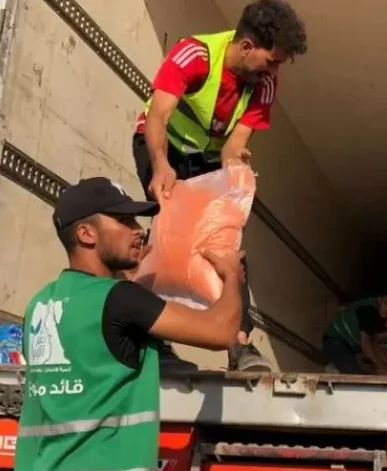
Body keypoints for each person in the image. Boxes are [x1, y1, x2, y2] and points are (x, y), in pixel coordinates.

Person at [14, 177, 244, 471]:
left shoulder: (40, 304)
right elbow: (221, 331)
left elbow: (95, 360)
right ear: (86, 234)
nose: (138, 231)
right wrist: (232, 278)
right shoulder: (120, 299)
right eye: (124, 220)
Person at [132, 0, 307, 372]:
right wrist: (161, 167)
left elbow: (234, 144)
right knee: (163, 236)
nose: (274, 71)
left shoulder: (265, 83)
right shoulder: (194, 54)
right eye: (271, 60)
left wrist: (233, 175)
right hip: (162, 147)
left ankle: (239, 345)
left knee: (226, 244)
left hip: (207, 157)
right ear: (246, 47)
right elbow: (157, 118)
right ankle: (150, 340)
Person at [322, 296, 387, 374]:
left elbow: (373, 341)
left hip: (347, 345)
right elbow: (366, 345)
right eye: (386, 303)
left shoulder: (381, 316)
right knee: (355, 376)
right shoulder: (371, 311)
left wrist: (385, 363)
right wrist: (383, 366)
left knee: (365, 371)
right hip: (335, 339)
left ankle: (337, 365)